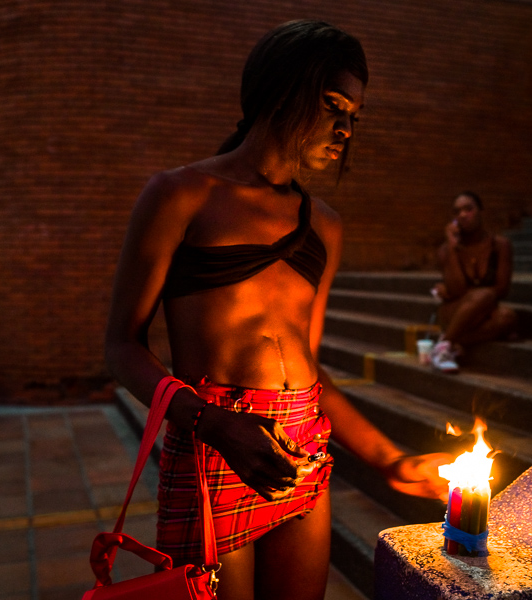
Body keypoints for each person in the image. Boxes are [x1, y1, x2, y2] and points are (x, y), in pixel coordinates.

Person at [104, 20, 451, 600]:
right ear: (282, 90)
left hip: (303, 453)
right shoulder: (182, 195)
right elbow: (121, 346)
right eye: (333, 105)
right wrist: (213, 423)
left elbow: (310, 367)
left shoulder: (325, 226)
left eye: (354, 116)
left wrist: (391, 461)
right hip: (215, 444)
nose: (345, 128)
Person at [429, 191, 517, 373]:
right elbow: (458, 289)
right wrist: (453, 247)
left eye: (468, 209)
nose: (462, 215)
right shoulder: (446, 251)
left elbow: (502, 290)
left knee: (508, 317)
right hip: (453, 312)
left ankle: (448, 342)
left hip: (485, 310)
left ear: (480, 211)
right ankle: (444, 347)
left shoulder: (500, 246)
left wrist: (471, 296)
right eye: (457, 212)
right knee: (485, 294)